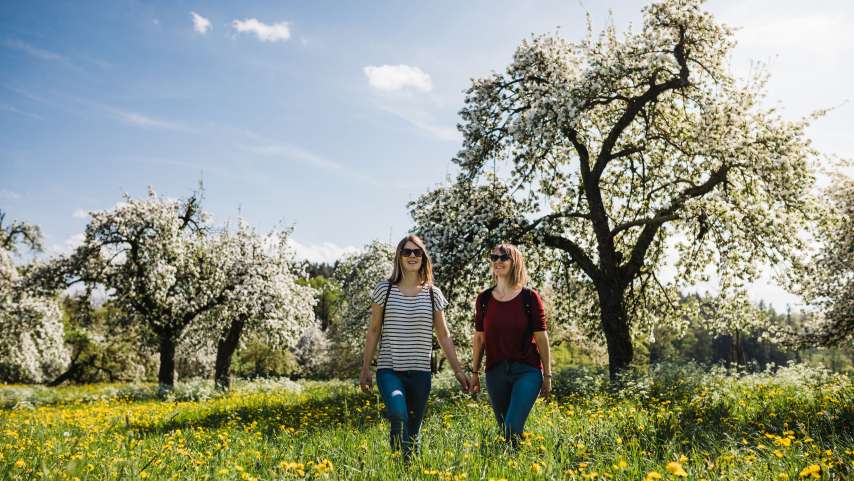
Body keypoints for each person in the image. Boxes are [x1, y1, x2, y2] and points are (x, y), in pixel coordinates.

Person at [359, 234, 469, 461]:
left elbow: (444, 334)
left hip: (420, 373)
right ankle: (398, 459)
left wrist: (458, 370)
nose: (412, 256)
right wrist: (365, 368)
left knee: (413, 432)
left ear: (423, 257)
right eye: (406, 251)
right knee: (398, 413)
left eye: (416, 252)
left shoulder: (432, 293)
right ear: (399, 257)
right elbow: (374, 330)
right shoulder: (384, 290)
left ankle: (407, 470)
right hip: (390, 370)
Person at [469, 243, 552, 447]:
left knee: (512, 427)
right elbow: (479, 338)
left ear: (515, 262)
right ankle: (515, 467)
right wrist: (474, 372)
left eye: (504, 257)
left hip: (527, 371)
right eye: (494, 257)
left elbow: (541, 338)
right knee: (505, 430)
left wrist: (548, 375)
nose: (498, 261)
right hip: (495, 372)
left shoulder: (529, 298)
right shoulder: (484, 299)